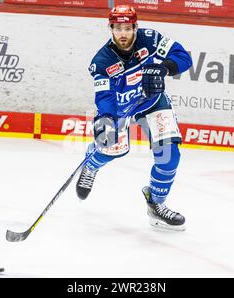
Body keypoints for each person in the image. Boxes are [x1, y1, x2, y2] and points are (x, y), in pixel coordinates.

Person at [76, 5, 192, 231]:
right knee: (112, 148)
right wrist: (107, 120)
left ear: (135, 27)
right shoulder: (101, 61)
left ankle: (156, 205)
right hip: (120, 109)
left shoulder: (150, 39)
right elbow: (105, 96)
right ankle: (91, 165)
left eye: (127, 28)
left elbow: (183, 57)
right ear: (110, 29)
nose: (123, 34)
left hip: (152, 102)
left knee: (169, 154)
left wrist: (164, 69)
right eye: (117, 28)